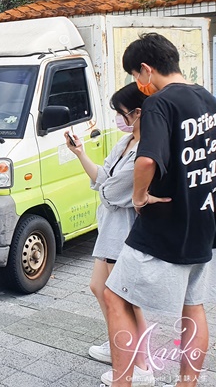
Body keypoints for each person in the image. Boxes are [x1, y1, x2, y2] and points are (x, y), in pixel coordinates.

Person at [103, 33, 216, 387]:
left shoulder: (159, 104)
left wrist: (139, 197)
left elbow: (147, 159)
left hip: (165, 223)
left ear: (146, 70)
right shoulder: (208, 100)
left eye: (136, 76)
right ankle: (188, 383)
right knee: (193, 306)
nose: (139, 85)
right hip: (203, 219)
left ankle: (123, 382)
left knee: (113, 295)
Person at [64, 83, 149, 369]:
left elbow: (113, 193)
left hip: (125, 231)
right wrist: (80, 153)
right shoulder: (126, 143)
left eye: (121, 113)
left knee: (124, 298)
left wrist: (106, 189)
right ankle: (119, 342)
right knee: (99, 287)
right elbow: (104, 178)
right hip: (111, 228)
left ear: (137, 113)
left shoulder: (145, 150)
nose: (118, 119)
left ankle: (141, 365)